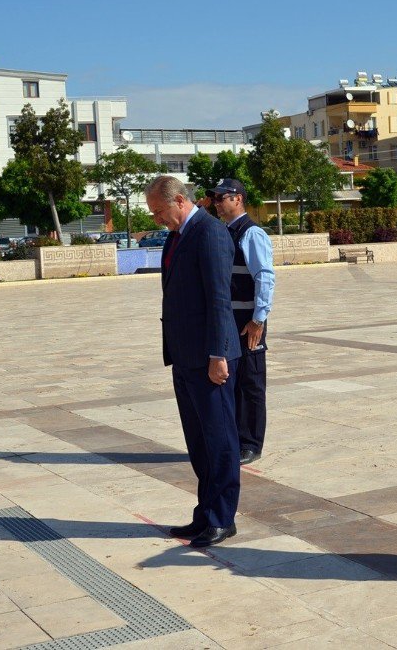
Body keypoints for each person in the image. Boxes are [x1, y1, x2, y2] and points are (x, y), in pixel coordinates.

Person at [146, 175, 242, 548]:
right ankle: (205, 514)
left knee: (219, 442)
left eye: (159, 212)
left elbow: (220, 299)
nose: (157, 220)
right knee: (199, 443)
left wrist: (218, 355)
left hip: (209, 359)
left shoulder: (210, 233)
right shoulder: (177, 235)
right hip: (185, 357)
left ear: (180, 201)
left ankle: (222, 519)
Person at [209, 178, 275, 465]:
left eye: (221, 198)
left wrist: (258, 319)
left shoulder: (252, 233)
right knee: (231, 383)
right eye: (215, 198)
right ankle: (234, 440)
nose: (216, 203)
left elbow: (265, 277)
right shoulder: (224, 232)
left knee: (250, 383)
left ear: (238, 199)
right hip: (228, 320)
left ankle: (250, 444)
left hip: (248, 321)